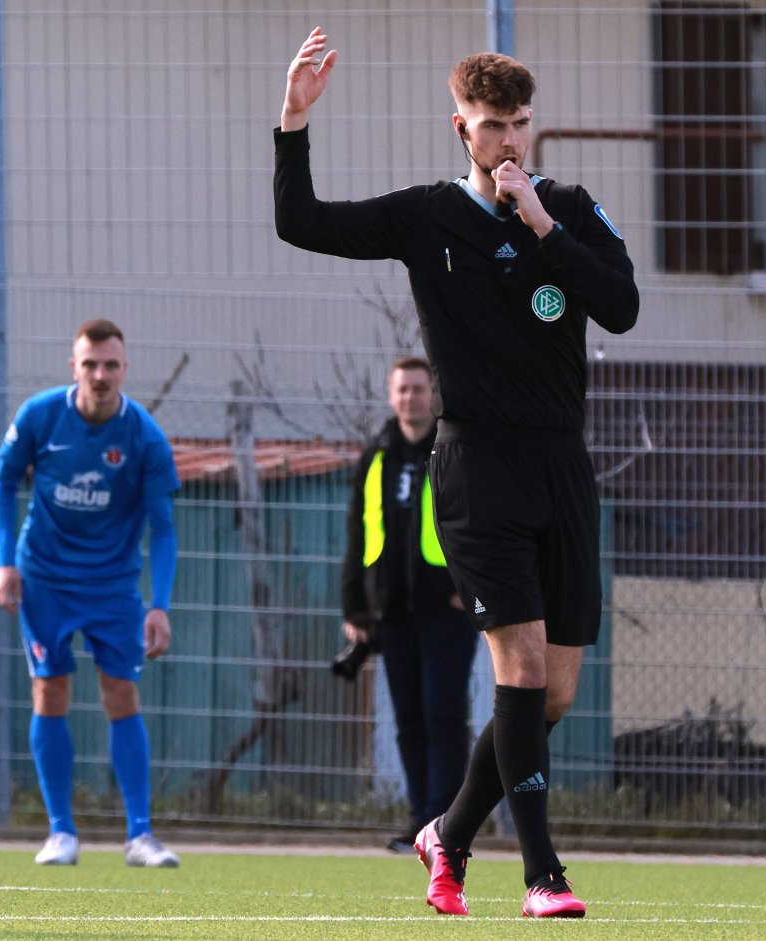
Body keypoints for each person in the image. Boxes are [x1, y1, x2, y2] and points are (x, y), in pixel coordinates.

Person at [275, 28, 639, 917]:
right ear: (460, 128)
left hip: (561, 464)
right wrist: (292, 120)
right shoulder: (427, 217)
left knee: (551, 692)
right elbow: (303, 222)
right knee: (516, 669)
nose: (510, 142)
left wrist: (542, 223)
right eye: (492, 126)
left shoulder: (574, 210)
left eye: (521, 124)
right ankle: (544, 875)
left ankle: (447, 832)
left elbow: (622, 308)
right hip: (476, 467)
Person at [0, 319, 181, 868]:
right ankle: (60, 833)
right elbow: (3, 485)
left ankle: (140, 836)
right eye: (90, 364)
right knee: (49, 690)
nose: (100, 375)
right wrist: (5, 564)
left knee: (121, 693)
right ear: (73, 367)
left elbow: (163, 527)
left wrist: (160, 604)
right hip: (44, 579)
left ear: (125, 369)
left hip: (112, 584)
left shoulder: (143, 436)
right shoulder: (38, 416)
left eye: (110, 365)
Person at [340, 355, 478, 853]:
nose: (409, 398)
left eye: (418, 390)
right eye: (401, 390)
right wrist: (356, 608)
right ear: (390, 394)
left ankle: (450, 824)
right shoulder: (378, 453)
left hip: (446, 608)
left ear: (431, 395)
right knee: (408, 719)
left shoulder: (452, 448)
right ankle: (422, 824)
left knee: (443, 713)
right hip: (392, 612)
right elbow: (358, 530)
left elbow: (476, 523)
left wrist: (472, 590)